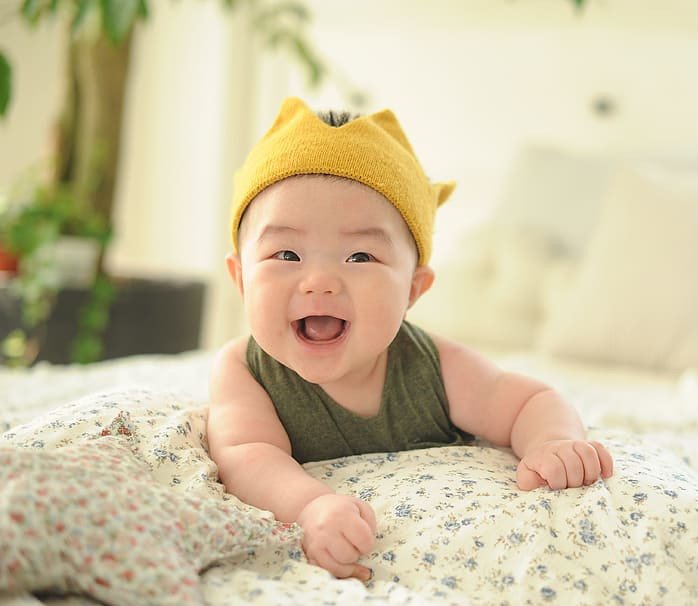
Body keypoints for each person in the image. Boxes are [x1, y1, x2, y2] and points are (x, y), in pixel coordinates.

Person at [207, 96, 614, 582]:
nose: (319, 281)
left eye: (360, 257)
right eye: (286, 253)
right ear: (240, 279)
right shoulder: (244, 370)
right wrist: (312, 507)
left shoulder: (435, 368)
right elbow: (247, 455)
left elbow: (531, 401)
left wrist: (553, 442)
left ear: (413, 291)